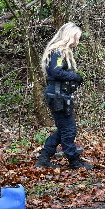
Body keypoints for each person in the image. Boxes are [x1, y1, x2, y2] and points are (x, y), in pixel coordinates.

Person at [36, 22, 93, 169]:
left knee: (64, 130)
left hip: (59, 95)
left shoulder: (61, 51)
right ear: (69, 36)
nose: (77, 42)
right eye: (76, 38)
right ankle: (74, 161)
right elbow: (56, 72)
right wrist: (74, 76)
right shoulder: (58, 51)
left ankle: (44, 158)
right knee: (69, 130)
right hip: (57, 96)